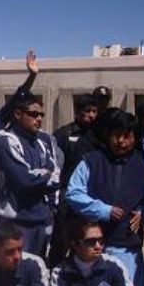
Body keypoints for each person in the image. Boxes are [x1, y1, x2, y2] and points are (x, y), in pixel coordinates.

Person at [66, 109, 144, 286]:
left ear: (135, 137)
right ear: (107, 136)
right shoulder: (91, 161)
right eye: (116, 136)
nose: (121, 142)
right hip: (92, 244)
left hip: (126, 247)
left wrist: (142, 213)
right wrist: (102, 210)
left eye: (127, 136)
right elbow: (74, 193)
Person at [0, 94, 60, 256]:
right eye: (33, 114)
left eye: (41, 115)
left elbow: (57, 177)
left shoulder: (42, 144)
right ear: (18, 114)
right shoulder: (5, 141)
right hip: (15, 223)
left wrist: (40, 176)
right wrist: (44, 175)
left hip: (40, 220)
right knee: (15, 273)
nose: (39, 119)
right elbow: (24, 180)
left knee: (37, 271)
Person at [48, 94, 100, 267]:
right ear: (77, 112)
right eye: (87, 111)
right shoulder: (64, 134)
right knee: (61, 241)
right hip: (67, 198)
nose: (91, 115)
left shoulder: (99, 136)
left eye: (94, 111)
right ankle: (54, 275)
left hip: (91, 197)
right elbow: (54, 164)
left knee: (88, 241)